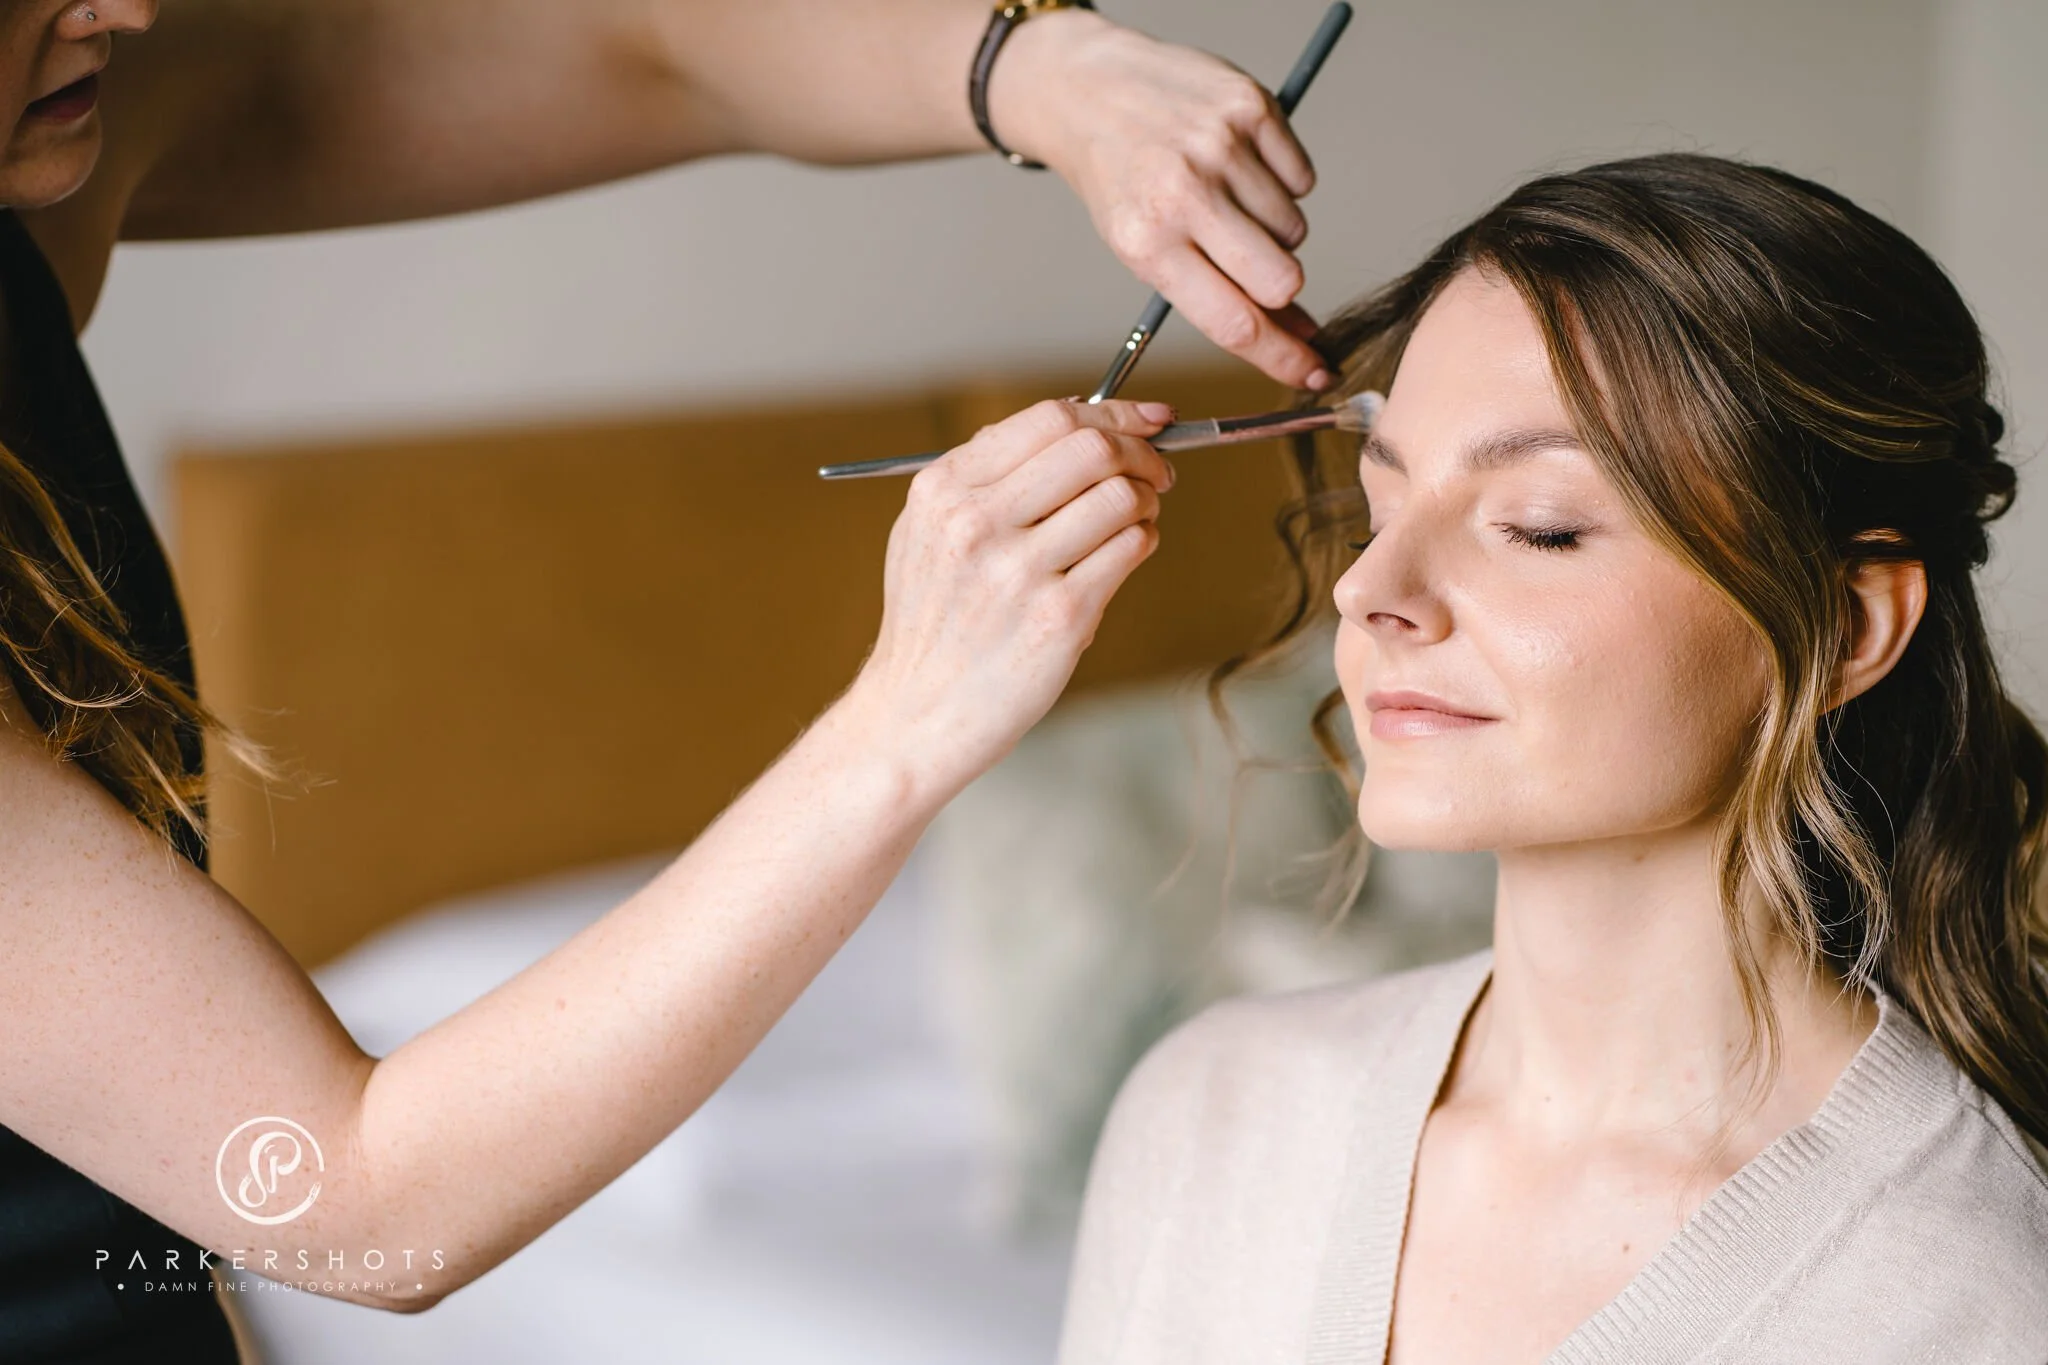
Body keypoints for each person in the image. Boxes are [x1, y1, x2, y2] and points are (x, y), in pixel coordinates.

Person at [0, 2, 1330, 1361]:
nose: (128, 5)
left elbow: (634, 49)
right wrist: (911, 714)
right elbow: (346, 1196)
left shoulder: (34, 153)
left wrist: (1038, 69)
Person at [1057, 153, 2048, 1365]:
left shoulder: (1960, 1296)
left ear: (1845, 626)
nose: (1370, 591)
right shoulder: (1211, 1115)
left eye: (1539, 527)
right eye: (1381, 509)